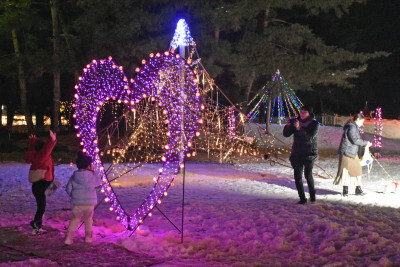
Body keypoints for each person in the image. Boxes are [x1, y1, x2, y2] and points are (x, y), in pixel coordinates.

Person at [283, 105, 319, 205]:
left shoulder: (314, 124)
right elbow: (286, 134)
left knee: (308, 175)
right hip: (297, 153)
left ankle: (312, 196)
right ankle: (302, 199)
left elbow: (309, 138)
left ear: (309, 114)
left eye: (304, 112)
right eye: (301, 112)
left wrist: (299, 128)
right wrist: (288, 125)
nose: (302, 114)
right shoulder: (296, 121)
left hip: (309, 153)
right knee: (297, 176)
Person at [25, 130, 57, 234]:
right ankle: (36, 223)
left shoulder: (34, 155)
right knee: (41, 207)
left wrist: (32, 143)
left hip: (37, 184)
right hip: (42, 183)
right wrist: (52, 140)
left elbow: (31, 151)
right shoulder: (42, 156)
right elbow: (47, 149)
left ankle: (36, 227)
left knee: (41, 205)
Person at [64, 151, 99, 245]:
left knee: (75, 219)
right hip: (89, 203)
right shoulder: (93, 175)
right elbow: (98, 183)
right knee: (88, 220)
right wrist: (93, 172)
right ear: (88, 165)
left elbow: (68, 188)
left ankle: (68, 238)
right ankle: (88, 238)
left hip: (77, 203)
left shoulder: (74, 176)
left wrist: (74, 195)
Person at [334, 113, 372, 196]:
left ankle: (357, 189)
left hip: (351, 152)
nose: (362, 123)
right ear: (358, 119)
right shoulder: (352, 127)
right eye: (362, 121)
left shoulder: (353, 127)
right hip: (347, 152)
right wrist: (366, 143)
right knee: (346, 172)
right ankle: (346, 191)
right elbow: (355, 140)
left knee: (357, 170)